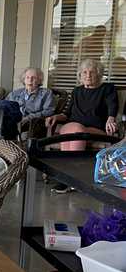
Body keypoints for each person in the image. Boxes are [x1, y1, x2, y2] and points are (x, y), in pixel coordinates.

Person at [45, 58, 119, 193]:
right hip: (73, 126)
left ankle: (66, 179)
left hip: (95, 129)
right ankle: (72, 179)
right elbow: (66, 114)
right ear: (80, 75)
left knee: (76, 131)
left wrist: (111, 119)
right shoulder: (77, 91)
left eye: (92, 72)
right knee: (75, 130)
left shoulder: (107, 89)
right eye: (84, 72)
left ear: (99, 74)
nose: (88, 75)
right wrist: (55, 117)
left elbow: (112, 106)